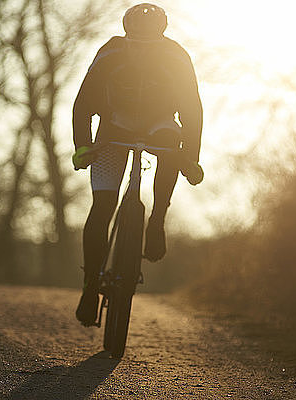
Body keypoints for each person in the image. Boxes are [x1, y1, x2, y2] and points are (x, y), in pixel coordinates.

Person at [71, 3, 204, 326]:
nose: (143, 47)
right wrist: (83, 147)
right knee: (103, 206)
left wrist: (191, 158)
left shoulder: (177, 56)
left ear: (162, 35)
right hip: (114, 127)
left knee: (171, 143)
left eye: (150, 42)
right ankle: (90, 287)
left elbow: (192, 110)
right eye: (136, 41)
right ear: (126, 34)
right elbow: (84, 103)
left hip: (160, 123)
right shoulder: (111, 51)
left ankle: (156, 221)